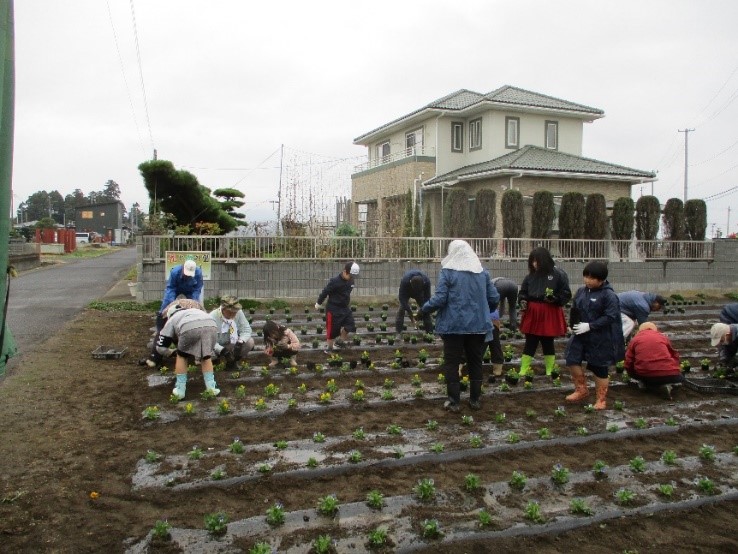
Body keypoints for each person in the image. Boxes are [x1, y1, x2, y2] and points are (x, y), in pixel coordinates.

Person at [419, 240, 499, 412]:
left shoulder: (447, 273)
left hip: (453, 326)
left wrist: (424, 309)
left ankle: (454, 401)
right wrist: (483, 311)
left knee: (452, 362)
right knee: (475, 361)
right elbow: (494, 298)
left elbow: (440, 299)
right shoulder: (482, 273)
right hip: (478, 326)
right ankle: (475, 400)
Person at [564, 261, 624, 410]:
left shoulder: (609, 295)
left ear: (601, 279)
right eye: (586, 277)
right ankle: (581, 389)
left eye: (592, 278)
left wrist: (590, 326)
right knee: (571, 358)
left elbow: (611, 316)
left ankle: (601, 399)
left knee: (599, 367)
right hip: (580, 334)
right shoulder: (581, 291)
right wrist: (572, 325)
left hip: (600, 336)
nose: (587, 280)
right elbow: (575, 309)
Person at [517, 247, 571, 377]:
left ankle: (549, 370)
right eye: (532, 261)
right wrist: (522, 301)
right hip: (533, 311)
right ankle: (523, 369)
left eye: (537, 261)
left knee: (548, 341)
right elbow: (523, 292)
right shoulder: (530, 277)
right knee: (530, 340)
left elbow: (566, 293)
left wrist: (555, 299)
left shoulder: (558, 274)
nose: (534, 264)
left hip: (549, 311)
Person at [146, 259, 205, 367]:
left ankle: (197, 355)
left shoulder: (198, 273)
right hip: (176, 288)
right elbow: (171, 289)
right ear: (183, 268)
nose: (188, 275)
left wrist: (194, 304)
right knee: (165, 310)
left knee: (196, 309)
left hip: (190, 290)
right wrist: (171, 305)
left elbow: (197, 289)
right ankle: (156, 356)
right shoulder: (175, 272)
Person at [156, 303, 219, 400]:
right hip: (212, 325)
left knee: (182, 356)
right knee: (206, 356)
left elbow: (160, 346)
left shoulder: (172, 318)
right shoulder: (194, 311)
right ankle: (211, 388)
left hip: (188, 327)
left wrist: (172, 352)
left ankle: (180, 390)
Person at [624, 322, 684, 399]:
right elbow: (675, 355)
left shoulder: (635, 340)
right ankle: (668, 385)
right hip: (671, 374)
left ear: (640, 330)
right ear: (655, 329)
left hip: (646, 374)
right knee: (680, 378)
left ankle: (651, 386)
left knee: (648, 379)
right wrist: (676, 368)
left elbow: (628, 361)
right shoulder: (662, 337)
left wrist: (631, 373)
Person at [315, 261, 360, 352]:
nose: (352, 278)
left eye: (353, 276)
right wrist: (319, 303)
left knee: (350, 324)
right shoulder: (335, 281)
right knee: (332, 330)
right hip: (333, 308)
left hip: (344, 308)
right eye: (350, 275)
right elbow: (325, 292)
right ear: (345, 272)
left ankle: (339, 342)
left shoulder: (351, 281)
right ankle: (329, 349)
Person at [209, 296, 254, 370]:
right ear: (223, 309)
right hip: (215, 347)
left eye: (235, 312)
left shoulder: (239, 313)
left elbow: (246, 329)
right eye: (230, 312)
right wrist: (222, 350)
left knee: (249, 342)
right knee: (206, 349)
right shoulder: (212, 317)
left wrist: (240, 342)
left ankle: (232, 362)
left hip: (230, 344)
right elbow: (209, 341)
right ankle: (215, 362)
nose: (233, 314)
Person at [395, 269, 433, 337]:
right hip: (407, 292)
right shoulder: (405, 281)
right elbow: (402, 299)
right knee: (401, 309)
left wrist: (421, 312)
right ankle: (398, 332)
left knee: (426, 310)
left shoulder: (426, 281)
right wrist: (410, 314)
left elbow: (427, 299)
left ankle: (429, 333)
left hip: (420, 294)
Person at [486, 307, 504, 382]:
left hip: (476, 316)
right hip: (491, 315)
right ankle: (498, 367)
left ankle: (460, 365)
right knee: (494, 343)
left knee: (474, 344)